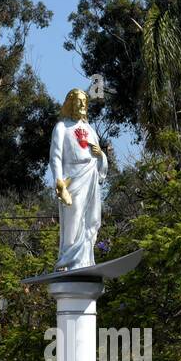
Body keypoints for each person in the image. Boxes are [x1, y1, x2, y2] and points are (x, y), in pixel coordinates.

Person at [49, 88, 108, 272]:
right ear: (70, 103)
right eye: (78, 100)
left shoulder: (90, 129)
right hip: (73, 179)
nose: (82, 104)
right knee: (73, 219)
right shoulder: (62, 127)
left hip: (90, 175)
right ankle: (67, 262)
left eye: (84, 101)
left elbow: (99, 157)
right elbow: (55, 157)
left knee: (92, 220)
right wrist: (59, 183)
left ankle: (85, 260)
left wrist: (101, 156)